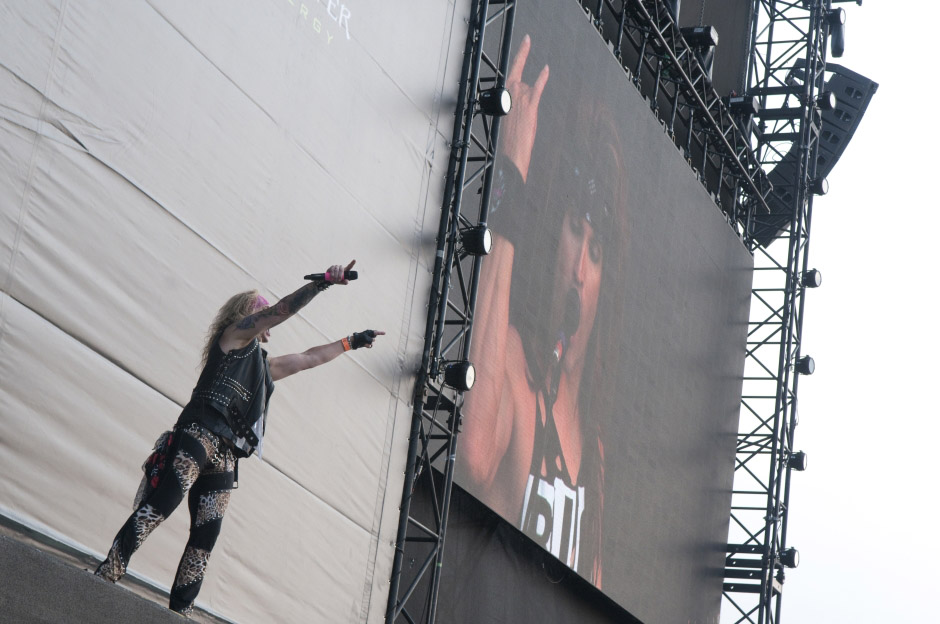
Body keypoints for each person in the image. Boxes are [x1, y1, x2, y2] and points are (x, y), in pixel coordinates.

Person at [94, 261, 384, 615]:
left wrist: (351, 341)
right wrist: (321, 283)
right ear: (246, 314)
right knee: (163, 504)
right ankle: (108, 572)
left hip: (227, 454)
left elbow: (310, 358)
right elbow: (281, 310)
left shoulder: (265, 367)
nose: (268, 320)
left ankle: (179, 611)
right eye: (261, 312)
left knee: (206, 536)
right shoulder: (232, 337)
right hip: (199, 433)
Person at [459, 34, 629, 588]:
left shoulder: (594, 453)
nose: (579, 268)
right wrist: (513, 169)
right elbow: (473, 456)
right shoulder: (510, 358)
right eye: (575, 232)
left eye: (596, 254)